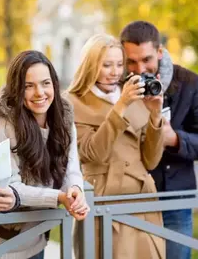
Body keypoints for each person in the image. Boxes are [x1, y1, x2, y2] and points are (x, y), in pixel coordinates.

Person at [0, 50, 89, 259]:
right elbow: (11, 188)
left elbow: (72, 167)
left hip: (35, 239)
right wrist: (59, 197)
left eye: (45, 83)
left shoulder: (64, 119)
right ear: (16, 89)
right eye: (28, 86)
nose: (39, 92)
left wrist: (75, 190)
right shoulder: (3, 126)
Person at [120, 21, 198, 259]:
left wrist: (175, 139)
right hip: (129, 199)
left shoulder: (190, 83)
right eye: (131, 61)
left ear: (160, 52)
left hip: (174, 199)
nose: (139, 68)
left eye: (146, 60)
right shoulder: (116, 84)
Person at [66, 34, 166, 259]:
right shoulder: (73, 102)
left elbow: (150, 160)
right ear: (91, 66)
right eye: (107, 65)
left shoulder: (136, 96)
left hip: (142, 200)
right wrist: (120, 106)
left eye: (119, 64)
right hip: (104, 199)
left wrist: (155, 115)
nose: (115, 72)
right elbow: (93, 153)